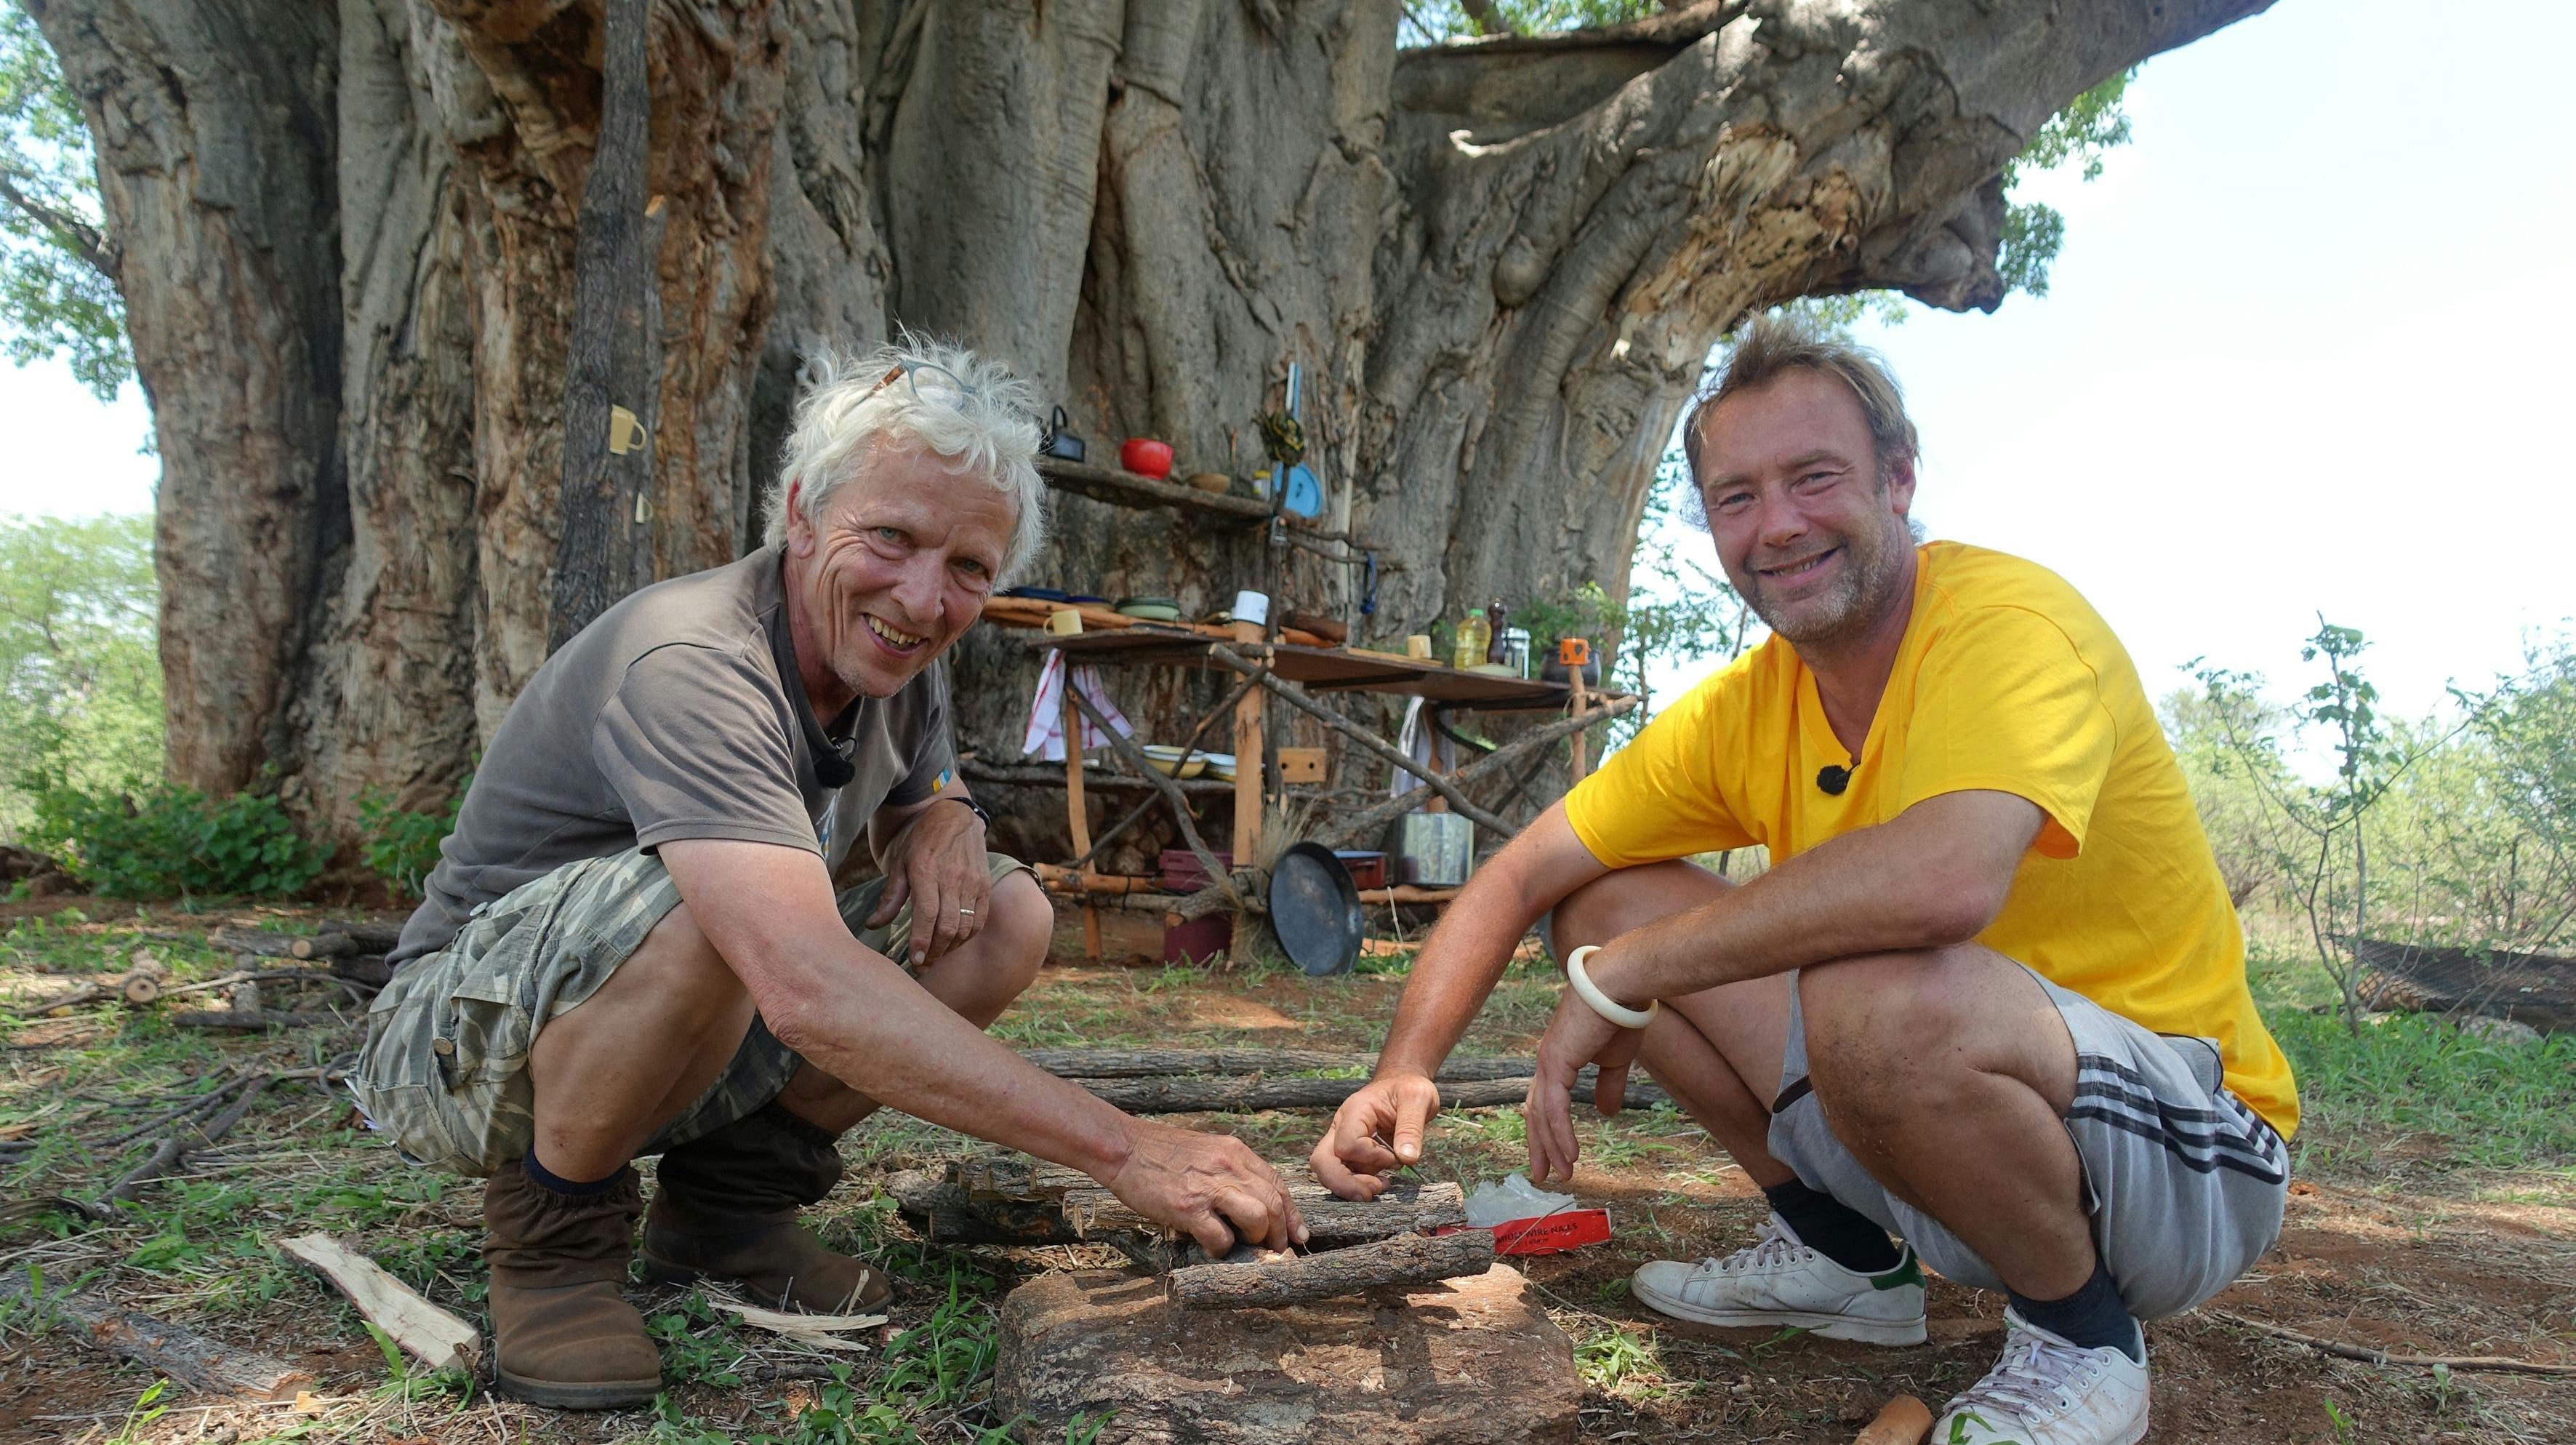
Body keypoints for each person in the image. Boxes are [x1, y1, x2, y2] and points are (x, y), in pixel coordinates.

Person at [1309, 316, 2295, 1445]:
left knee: (1858, 984)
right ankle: (1843, 1260)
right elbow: (1525, 870)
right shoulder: (1751, 704)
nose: (1777, 526)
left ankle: (2081, 1340)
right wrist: (1404, 1070)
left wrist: (1629, 975)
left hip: (2189, 1155)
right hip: (1948, 1126)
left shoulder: (2010, 624)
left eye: (1814, 478)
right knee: (1604, 902)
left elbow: (1944, 884)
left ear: (1899, 480)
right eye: (1736, 498)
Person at [353, 337, 1303, 1409]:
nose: (924, 598)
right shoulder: (693, 659)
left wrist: (947, 809)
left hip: (670, 1030)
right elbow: (803, 982)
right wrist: (1126, 1150)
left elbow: (922, 781)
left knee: (1004, 911)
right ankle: (554, 1243)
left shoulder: (895, 653)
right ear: (801, 512)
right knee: (711, 911)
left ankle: (725, 1216)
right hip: (455, 1053)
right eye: (890, 538)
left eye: (969, 569)